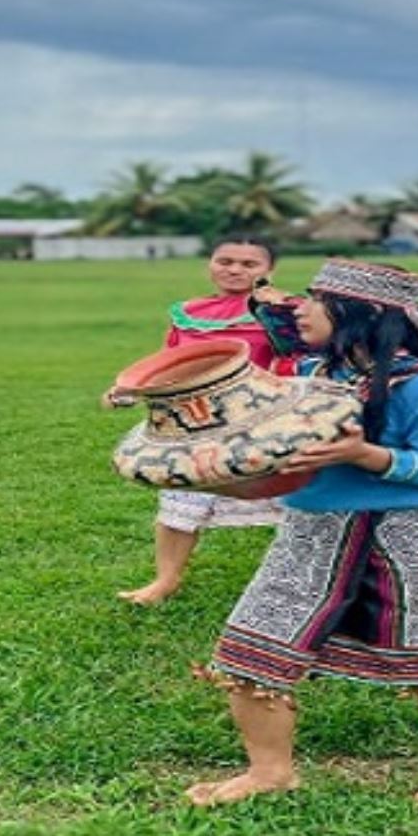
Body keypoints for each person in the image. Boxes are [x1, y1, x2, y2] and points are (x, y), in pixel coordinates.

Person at [187, 259, 418, 807]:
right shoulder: (308, 379)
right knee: (249, 650)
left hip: (414, 537)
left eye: (314, 300)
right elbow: (275, 456)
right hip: (312, 532)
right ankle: (269, 772)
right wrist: (226, 479)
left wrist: (364, 455)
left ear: (360, 313)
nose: (298, 309)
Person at [111, 237, 287, 606]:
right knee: (179, 501)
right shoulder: (188, 311)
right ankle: (165, 581)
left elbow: (301, 359)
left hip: (258, 421)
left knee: (295, 506)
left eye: (248, 264)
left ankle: (298, 582)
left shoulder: (283, 310)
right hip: (192, 423)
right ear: (210, 263)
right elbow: (168, 363)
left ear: (269, 270)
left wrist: (282, 314)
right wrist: (128, 390)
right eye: (225, 260)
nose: (235, 270)